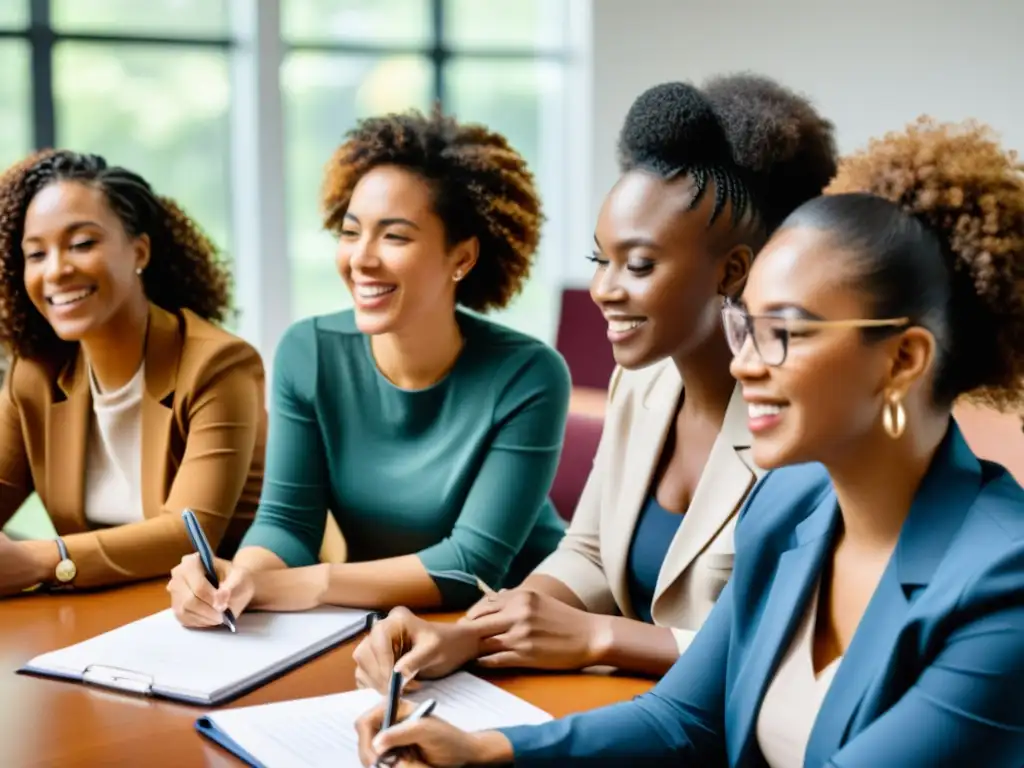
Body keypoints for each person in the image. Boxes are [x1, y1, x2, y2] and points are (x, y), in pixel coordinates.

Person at [354, 117, 1024, 768]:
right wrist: (486, 752)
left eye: (782, 333)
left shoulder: (1003, 582)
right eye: (746, 328)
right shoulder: (791, 505)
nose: (744, 364)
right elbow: (685, 717)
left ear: (902, 360)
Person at [351, 74, 837, 687]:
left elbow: (794, 649)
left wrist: (605, 637)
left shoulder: (805, 427)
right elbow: (586, 555)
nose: (604, 290)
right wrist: (469, 633)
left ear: (731, 270)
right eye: (598, 260)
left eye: (637, 265)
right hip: (614, 709)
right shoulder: (641, 384)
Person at [166, 108, 571, 625]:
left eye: (394, 237)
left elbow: (472, 565)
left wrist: (304, 585)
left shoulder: (530, 375)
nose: (361, 258)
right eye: (351, 231)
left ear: (462, 258)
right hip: (383, 625)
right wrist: (243, 578)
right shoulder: (307, 352)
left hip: (514, 628)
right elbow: (287, 522)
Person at [0, 150, 266, 595]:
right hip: (95, 620)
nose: (57, 271)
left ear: (139, 250)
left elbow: (188, 536)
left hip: (225, 615)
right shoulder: (36, 375)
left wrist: (44, 559)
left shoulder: (218, 366)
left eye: (82, 244)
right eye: (36, 254)